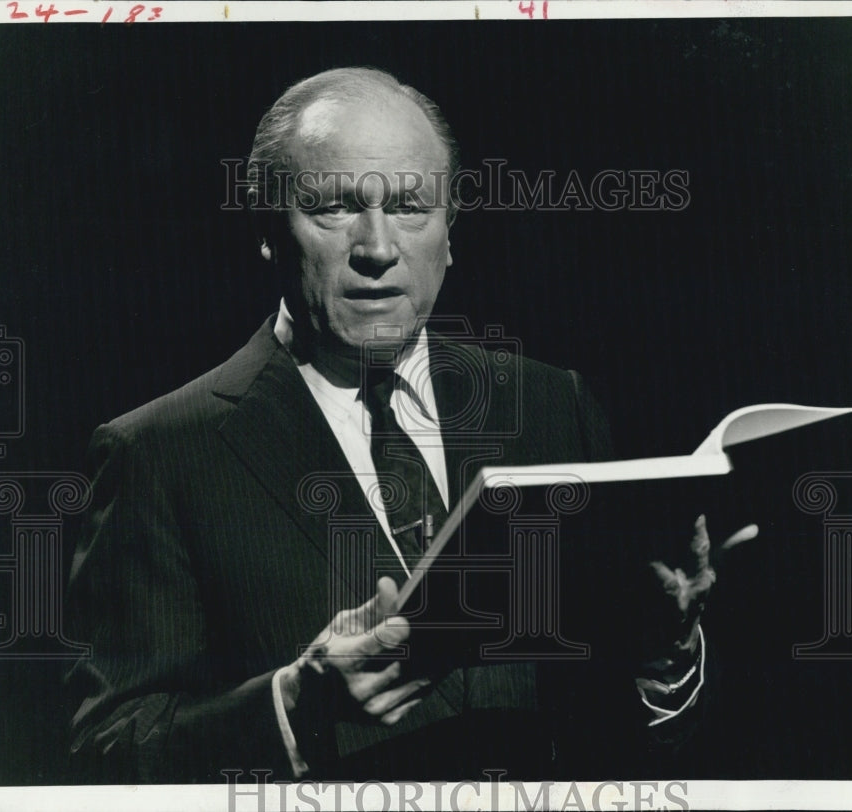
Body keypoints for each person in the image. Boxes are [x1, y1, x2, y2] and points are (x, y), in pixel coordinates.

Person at [65, 67, 748, 782]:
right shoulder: (158, 454)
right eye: (334, 207)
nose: (378, 248)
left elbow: (627, 740)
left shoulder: (553, 404)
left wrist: (664, 654)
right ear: (268, 228)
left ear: (450, 232)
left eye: (412, 207)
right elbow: (103, 755)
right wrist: (294, 703)